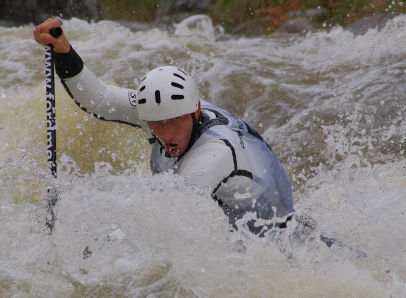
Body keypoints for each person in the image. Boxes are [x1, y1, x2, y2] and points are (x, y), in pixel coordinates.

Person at [34, 18, 294, 237]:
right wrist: (64, 52)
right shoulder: (160, 109)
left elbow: (163, 220)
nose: (166, 133)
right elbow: (100, 99)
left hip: (278, 243)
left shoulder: (215, 154)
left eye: (174, 122)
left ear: (195, 111)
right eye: (156, 124)